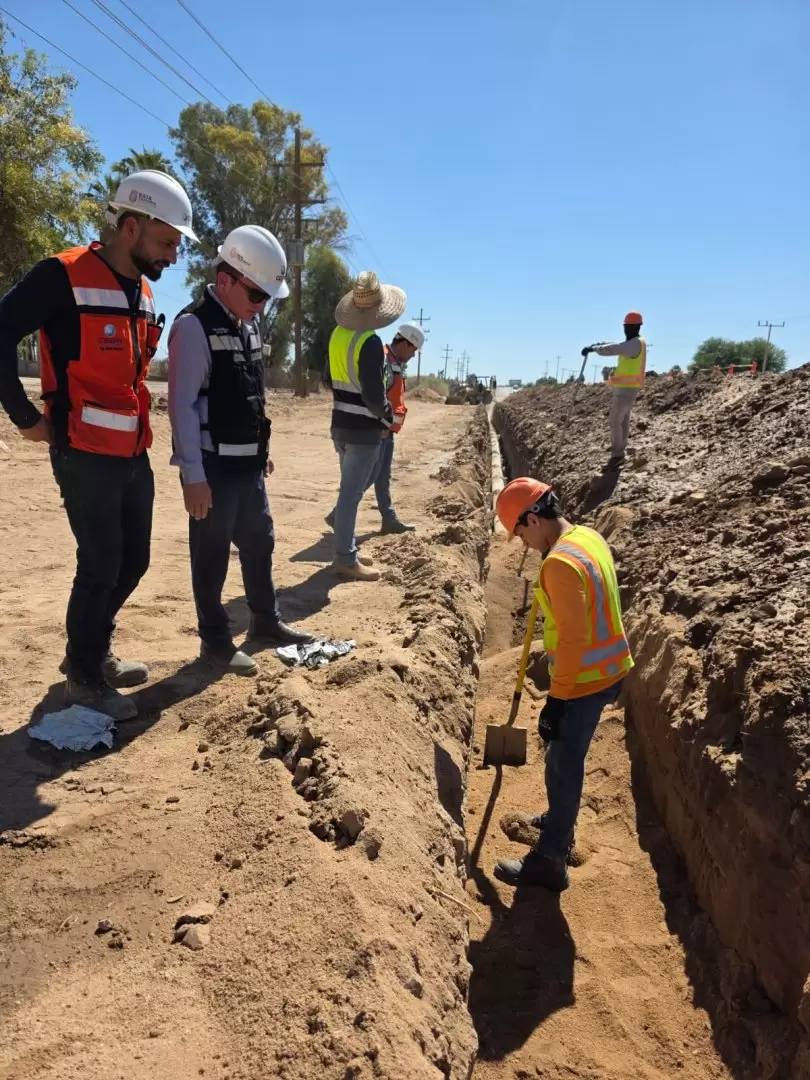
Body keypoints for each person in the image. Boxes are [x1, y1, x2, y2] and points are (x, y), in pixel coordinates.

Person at [0, 170, 198, 720]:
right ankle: (84, 678)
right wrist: (23, 416)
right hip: (82, 449)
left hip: (132, 449)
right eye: (166, 242)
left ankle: (90, 649)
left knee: (134, 560)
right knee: (101, 563)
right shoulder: (60, 275)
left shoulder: (142, 285)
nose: (173, 256)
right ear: (130, 227)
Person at [168, 225, 314, 676]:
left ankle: (265, 621)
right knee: (210, 556)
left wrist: (260, 446)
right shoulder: (194, 327)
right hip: (212, 468)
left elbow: (251, 393)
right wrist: (192, 473)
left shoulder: (247, 327)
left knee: (259, 542)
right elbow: (183, 406)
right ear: (227, 279)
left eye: (267, 298)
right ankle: (214, 641)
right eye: (256, 295)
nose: (261, 306)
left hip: (248, 464)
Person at [492, 477, 634, 892]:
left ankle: (551, 859)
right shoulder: (588, 538)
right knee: (562, 757)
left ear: (533, 518)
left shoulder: (558, 564)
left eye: (520, 534)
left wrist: (556, 702)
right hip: (610, 666)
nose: (523, 545)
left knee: (562, 763)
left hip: (586, 678)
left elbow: (572, 641)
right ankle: (557, 822)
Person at [326, 271, 406, 581]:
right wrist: (387, 417)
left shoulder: (337, 335)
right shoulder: (370, 342)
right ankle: (345, 557)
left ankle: (345, 542)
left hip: (340, 425)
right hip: (363, 429)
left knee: (357, 483)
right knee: (351, 492)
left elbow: (326, 378)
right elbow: (374, 395)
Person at [325, 321, 423, 535]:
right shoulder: (385, 359)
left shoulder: (393, 361)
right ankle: (338, 516)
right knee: (366, 477)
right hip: (378, 428)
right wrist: (384, 423)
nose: (414, 355)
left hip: (386, 428)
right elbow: (374, 396)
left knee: (381, 476)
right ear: (405, 344)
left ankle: (388, 518)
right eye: (414, 350)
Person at [582, 311, 646, 465]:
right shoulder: (633, 343)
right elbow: (613, 344)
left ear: (637, 327)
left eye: (630, 327)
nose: (627, 330)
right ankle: (620, 451)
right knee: (622, 421)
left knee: (615, 420)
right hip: (626, 389)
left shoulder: (634, 344)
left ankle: (617, 455)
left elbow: (614, 348)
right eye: (626, 327)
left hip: (627, 390)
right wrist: (597, 344)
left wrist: (594, 350)